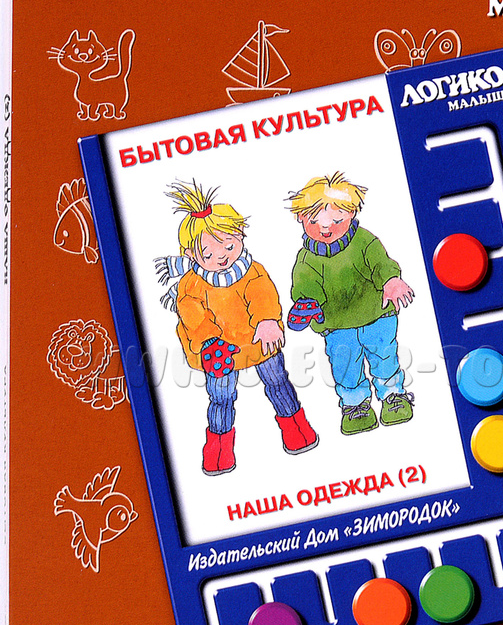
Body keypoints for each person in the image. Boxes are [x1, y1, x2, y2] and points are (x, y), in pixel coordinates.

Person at [156, 180, 317, 474]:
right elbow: (191, 315)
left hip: (258, 341)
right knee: (221, 398)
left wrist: (268, 321)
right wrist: (209, 342)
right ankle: (219, 448)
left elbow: (263, 294)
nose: (222, 256)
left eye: (229, 246)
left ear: (241, 236)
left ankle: (296, 428)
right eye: (208, 254)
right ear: (191, 255)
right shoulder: (191, 284)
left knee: (278, 382)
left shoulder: (252, 271)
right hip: (220, 353)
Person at [287, 171, 414, 435]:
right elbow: (305, 286)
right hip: (337, 326)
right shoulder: (306, 259)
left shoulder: (364, 241)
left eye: (336, 220)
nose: (326, 228)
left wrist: (391, 280)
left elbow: (381, 263)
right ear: (301, 218)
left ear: (351, 213)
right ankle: (355, 406)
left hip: (377, 316)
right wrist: (307, 304)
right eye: (314, 221)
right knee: (345, 366)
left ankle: (393, 395)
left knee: (384, 356)